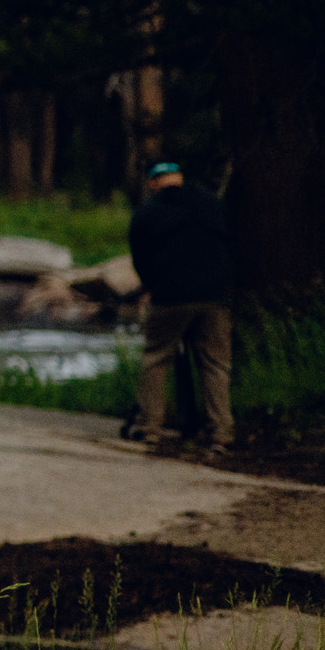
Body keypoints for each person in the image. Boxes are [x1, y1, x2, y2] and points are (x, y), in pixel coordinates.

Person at [124, 159, 235, 452]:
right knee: (215, 363)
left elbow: (140, 259)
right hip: (215, 294)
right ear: (180, 178)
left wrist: (153, 285)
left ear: (151, 183)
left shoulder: (147, 212)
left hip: (170, 295)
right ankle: (221, 432)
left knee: (156, 357)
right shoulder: (211, 203)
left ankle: (151, 428)